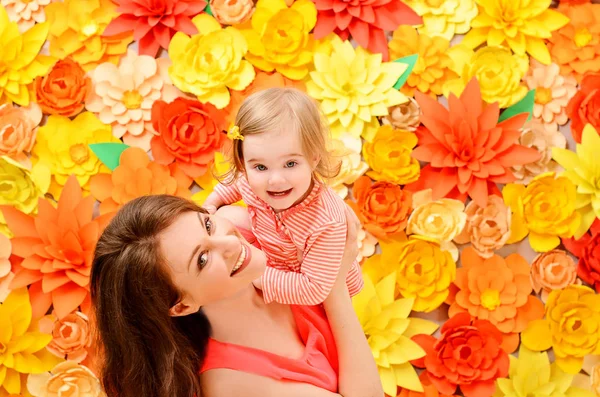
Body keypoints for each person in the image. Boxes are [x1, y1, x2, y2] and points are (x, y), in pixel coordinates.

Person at [91, 195, 383, 397]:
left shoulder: (241, 222)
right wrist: (331, 284)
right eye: (203, 260)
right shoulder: (234, 382)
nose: (229, 242)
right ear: (181, 306)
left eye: (207, 224)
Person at [203, 87, 363, 307]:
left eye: (290, 164)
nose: (275, 180)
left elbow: (314, 290)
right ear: (244, 162)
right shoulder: (251, 178)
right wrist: (211, 205)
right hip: (278, 254)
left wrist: (256, 275)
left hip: (318, 289)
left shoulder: (326, 221)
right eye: (260, 166)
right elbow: (236, 185)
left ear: (314, 158)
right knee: (226, 216)